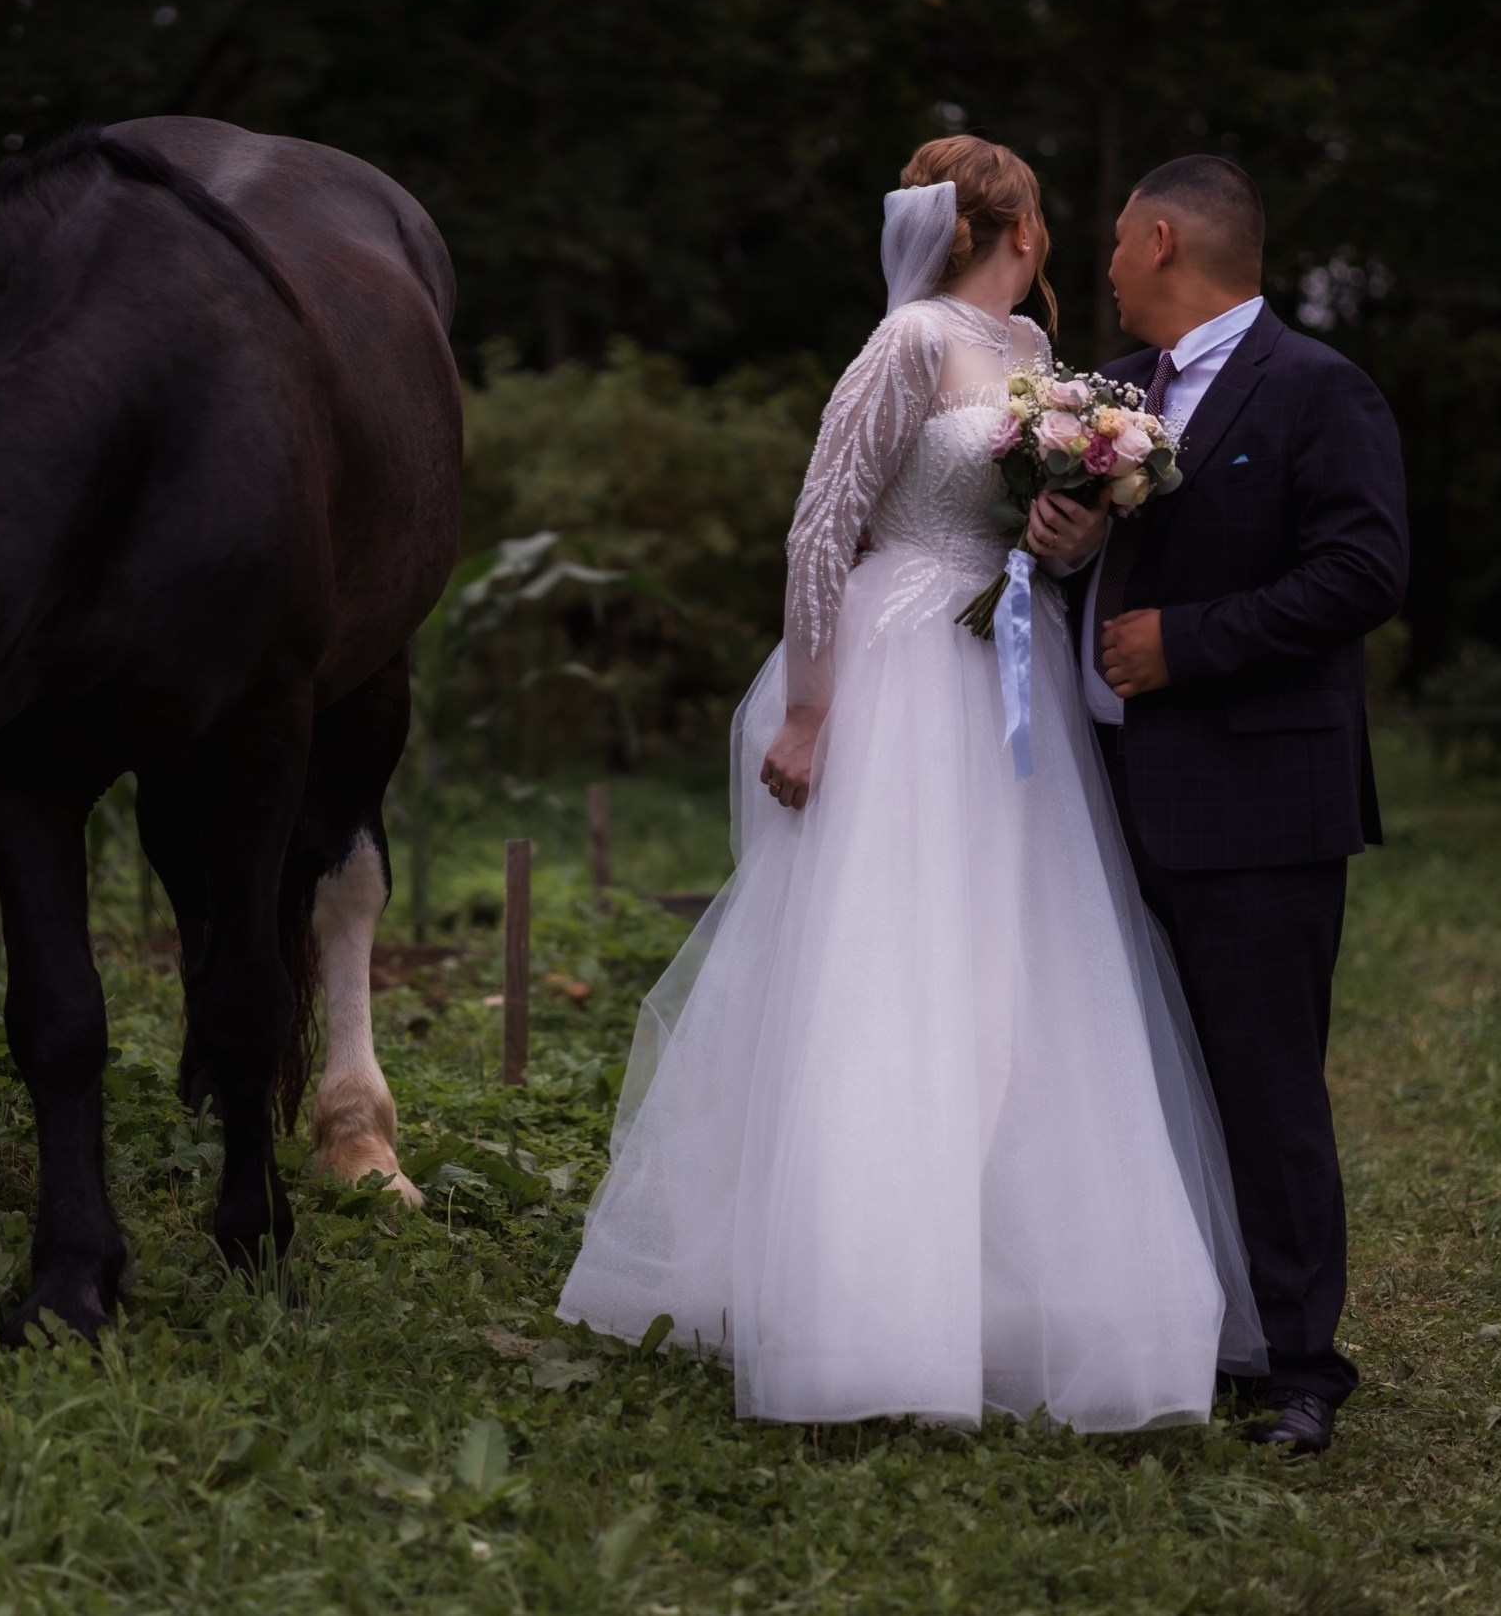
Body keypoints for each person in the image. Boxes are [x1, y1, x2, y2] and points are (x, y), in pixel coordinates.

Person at [556, 137, 1266, 1431]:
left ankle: (1003, 1288)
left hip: (1010, 668)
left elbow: (1045, 539)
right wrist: (814, 709)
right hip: (898, 668)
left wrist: (1068, 529)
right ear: (1025, 232)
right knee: (888, 962)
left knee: (1015, 966)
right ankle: (863, 1302)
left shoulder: (1041, 368)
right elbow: (824, 521)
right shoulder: (908, 344)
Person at [1032, 155, 1408, 1453]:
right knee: (1147, 1076)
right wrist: (1070, 552)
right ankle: (1189, 1328)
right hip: (1113, 791)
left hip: (1260, 794)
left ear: (1159, 237)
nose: (1107, 270)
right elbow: (1095, 543)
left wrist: (1183, 643)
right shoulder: (1112, 394)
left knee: (1263, 1080)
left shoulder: (1317, 389)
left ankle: (1301, 1368)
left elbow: (1364, 568)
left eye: (1117, 247)